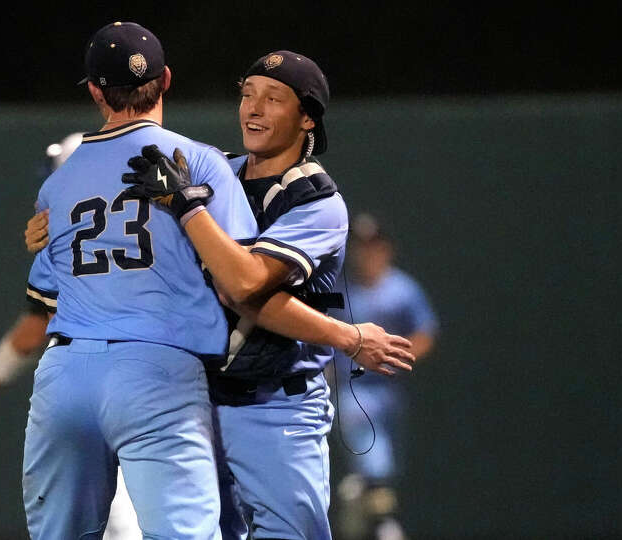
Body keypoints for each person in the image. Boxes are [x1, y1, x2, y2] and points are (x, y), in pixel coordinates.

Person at [121, 51, 415, 539]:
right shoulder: (214, 171)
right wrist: (55, 223)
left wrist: (189, 210)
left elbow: (244, 285)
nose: (252, 109)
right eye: (247, 94)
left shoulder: (317, 200)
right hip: (194, 400)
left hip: (276, 405)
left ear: (307, 118)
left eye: (273, 98)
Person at [19, 21, 258, 539]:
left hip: (66, 373)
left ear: (96, 92)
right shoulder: (196, 161)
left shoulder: (57, 186)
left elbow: (44, 294)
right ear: (166, 79)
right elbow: (243, 282)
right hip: (158, 370)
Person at [0, 132, 142, 540]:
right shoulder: (154, 223)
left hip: (92, 380)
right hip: (162, 380)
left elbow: (33, 329)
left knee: (107, 517)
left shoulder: (72, 236)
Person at [331, 213, 439, 540]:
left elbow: (426, 332)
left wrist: (399, 358)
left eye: (374, 246)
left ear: (387, 249)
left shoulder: (402, 289)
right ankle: (382, 519)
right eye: (361, 247)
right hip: (351, 388)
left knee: (388, 463)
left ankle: (361, 496)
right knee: (370, 450)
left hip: (389, 389)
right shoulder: (338, 290)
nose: (368, 254)